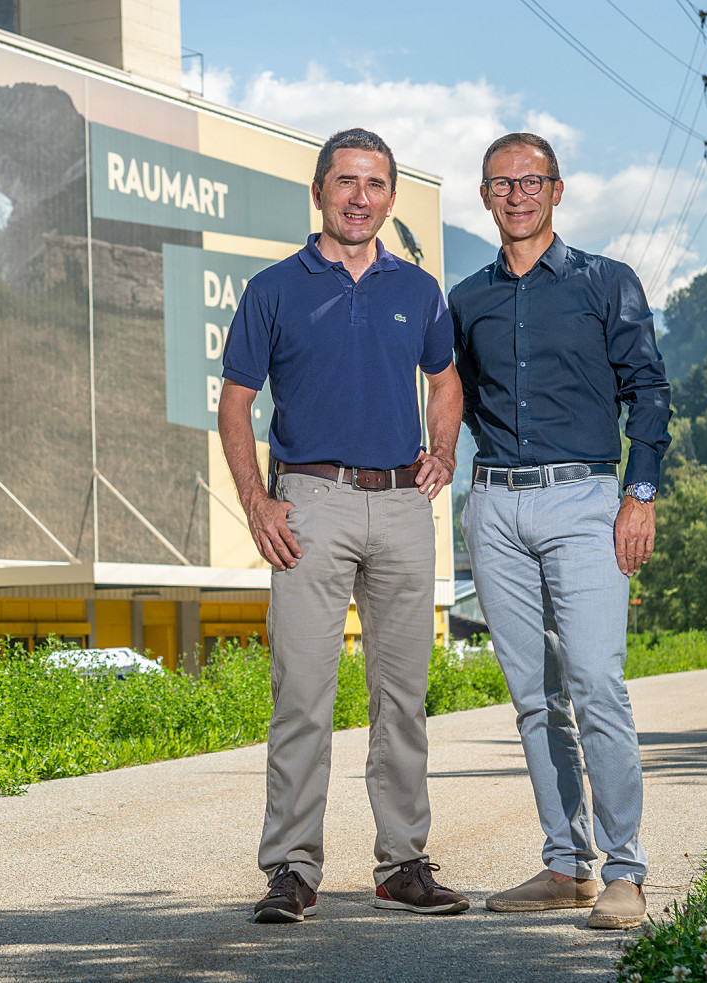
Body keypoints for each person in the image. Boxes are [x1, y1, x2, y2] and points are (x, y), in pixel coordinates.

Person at [219, 127, 469, 923]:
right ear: (319, 191)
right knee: (303, 694)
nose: (360, 197)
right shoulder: (273, 288)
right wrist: (258, 501)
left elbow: (447, 380)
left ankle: (402, 865)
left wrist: (443, 449)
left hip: (402, 506)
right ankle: (292, 868)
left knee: (403, 697)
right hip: (311, 501)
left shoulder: (419, 290)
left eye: (375, 184)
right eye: (345, 182)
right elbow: (235, 402)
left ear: (391, 197)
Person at [449, 132, 671, 930]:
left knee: (596, 685)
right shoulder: (465, 298)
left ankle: (626, 871)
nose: (516, 194)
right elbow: (457, 398)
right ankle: (565, 863)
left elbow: (648, 389)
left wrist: (639, 494)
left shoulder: (606, 283)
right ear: (483, 196)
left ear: (557, 190)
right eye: (501, 183)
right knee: (533, 697)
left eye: (530, 180)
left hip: (586, 501)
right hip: (495, 505)